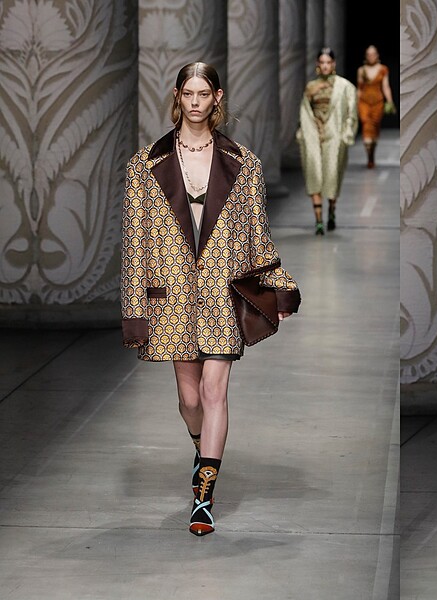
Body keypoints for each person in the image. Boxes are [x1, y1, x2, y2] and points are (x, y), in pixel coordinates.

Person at [120, 62, 301, 536]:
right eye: (189, 94)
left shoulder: (245, 163)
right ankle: (202, 450)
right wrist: (134, 310)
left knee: (213, 392)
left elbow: (258, 233)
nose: (196, 102)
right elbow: (135, 243)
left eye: (204, 94)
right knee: (189, 398)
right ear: (177, 96)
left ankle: (204, 495)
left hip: (223, 293)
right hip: (172, 296)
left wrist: (278, 285)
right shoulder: (144, 165)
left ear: (217, 97)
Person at [298, 47, 358, 235]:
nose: (325, 66)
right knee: (314, 173)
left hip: (335, 135)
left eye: (328, 62)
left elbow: (351, 113)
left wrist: (346, 134)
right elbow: (305, 112)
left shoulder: (345, 86)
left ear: (333, 64)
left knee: (332, 174)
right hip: (313, 134)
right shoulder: (311, 87)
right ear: (318, 64)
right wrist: (304, 133)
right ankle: (318, 221)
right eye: (322, 62)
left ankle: (331, 210)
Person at [356, 44, 394, 169]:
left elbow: (385, 86)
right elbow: (359, 88)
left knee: (375, 127)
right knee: (366, 125)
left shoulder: (383, 69)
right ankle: (369, 155)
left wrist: (390, 101)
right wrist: (355, 104)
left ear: (377, 55)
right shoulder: (361, 70)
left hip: (378, 102)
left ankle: (371, 155)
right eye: (368, 54)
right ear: (366, 56)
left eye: (373, 54)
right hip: (364, 102)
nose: (371, 56)